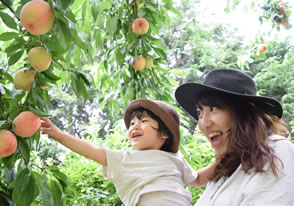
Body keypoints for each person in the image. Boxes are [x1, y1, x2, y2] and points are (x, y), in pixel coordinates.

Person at [40, 98, 215, 206]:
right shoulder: (125, 158)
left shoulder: (175, 159)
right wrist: (59, 135)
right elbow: (91, 150)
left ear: (164, 134)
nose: (135, 126)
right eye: (132, 124)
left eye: (144, 121)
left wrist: (225, 159)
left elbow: (198, 179)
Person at [175, 68, 294, 205]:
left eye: (213, 108)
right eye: (200, 113)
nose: (204, 123)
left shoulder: (275, 151)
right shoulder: (224, 172)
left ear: (245, 111)